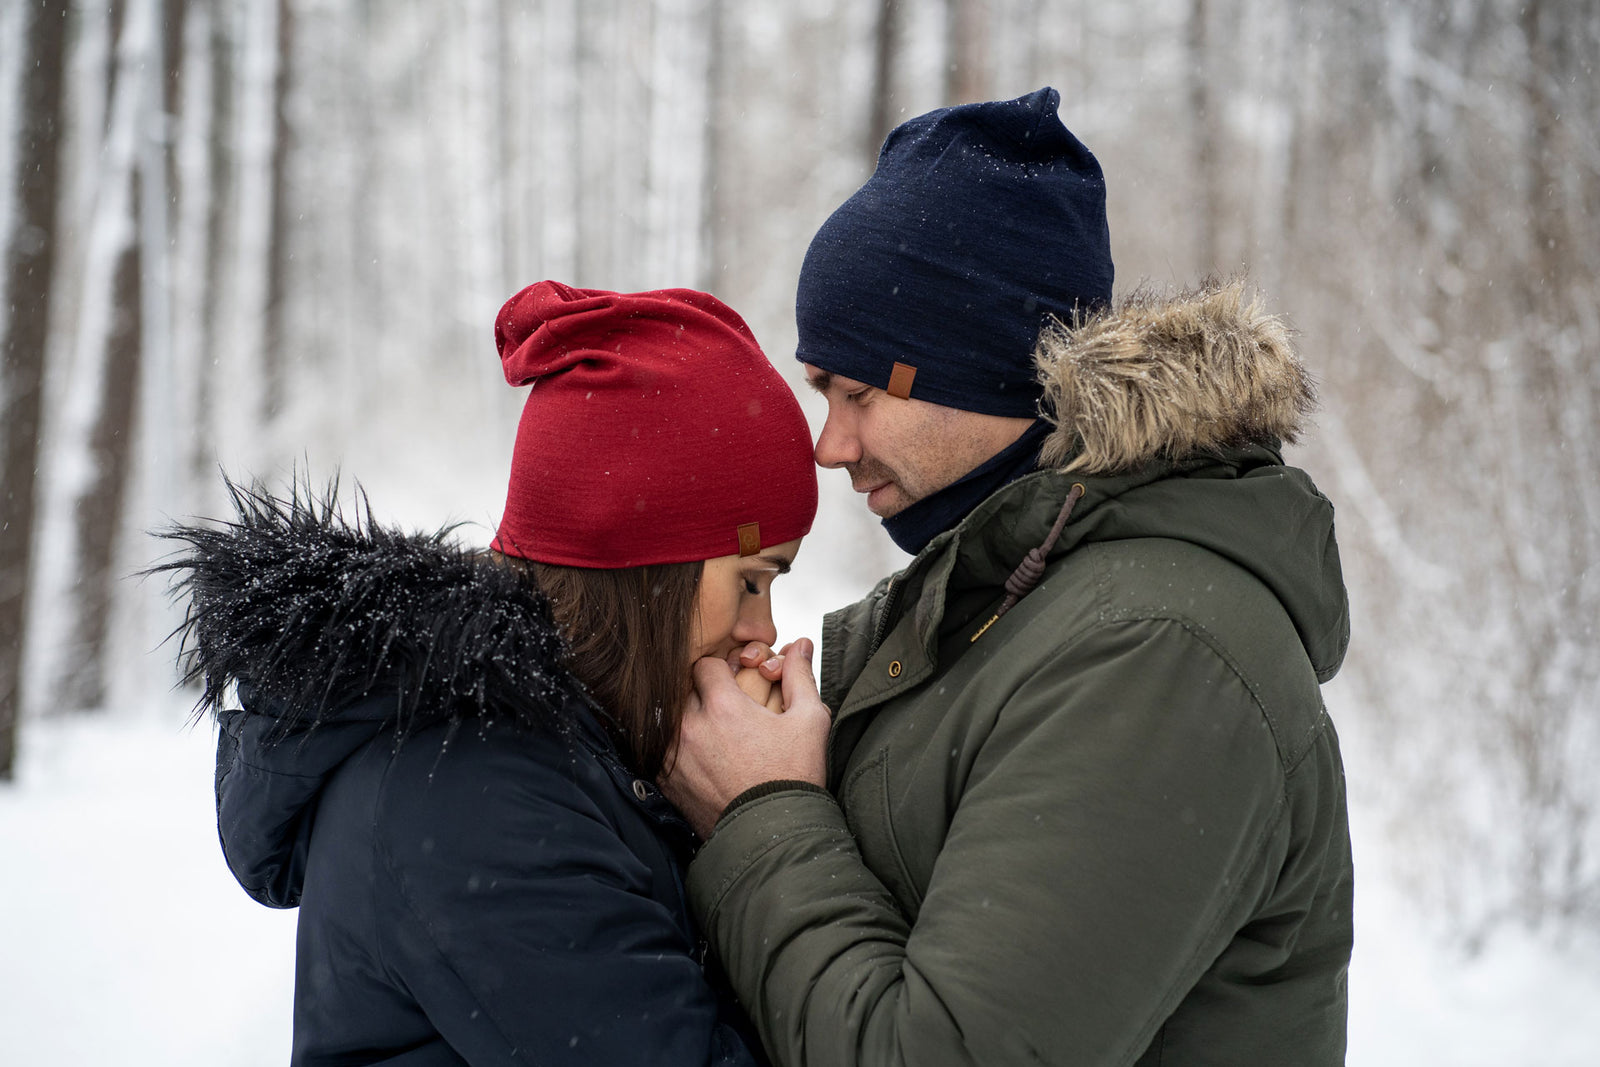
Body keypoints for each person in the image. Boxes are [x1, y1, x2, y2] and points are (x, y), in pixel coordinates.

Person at [660, 87, 1354, 1066]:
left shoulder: (1158, 653)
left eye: (860, 391)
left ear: (982, 367)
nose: (829, 444)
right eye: (822, 392)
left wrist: (759, 813)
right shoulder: (999, 591)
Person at [158, 282, 818, 1066]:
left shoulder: (552, 748)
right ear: (647, 566)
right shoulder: (474, 793)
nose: (763, 630)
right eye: (752, 581)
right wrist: (769, 819)